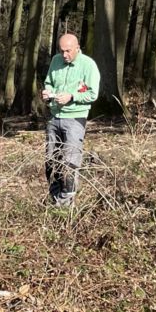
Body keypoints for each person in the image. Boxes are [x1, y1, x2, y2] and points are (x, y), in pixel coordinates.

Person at [42, 33, 100, 206]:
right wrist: (48, 93)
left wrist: (72, 96)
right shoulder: (55, 61)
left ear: (77, 48)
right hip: (54, 117)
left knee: (69, 162)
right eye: (62, 51)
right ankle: (54, 199)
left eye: (68, 51)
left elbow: (93, 93)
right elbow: (49, 82)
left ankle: (66, 206)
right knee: (51, 160)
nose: (64, 55)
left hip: (75, 118)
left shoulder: (88, 65)